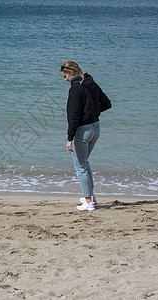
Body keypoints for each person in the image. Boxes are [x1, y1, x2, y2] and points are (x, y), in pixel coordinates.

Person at [60, 60, 111, 211]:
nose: (65, 80)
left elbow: (73, 115)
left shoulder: (75, 89)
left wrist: (69, 139)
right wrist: (92, 114)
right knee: (84, 162)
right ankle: (91, 196)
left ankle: (88, 202)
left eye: (65, 76)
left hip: (83, 131)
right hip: (95, 128)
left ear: (72, 73)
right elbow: (107, 103)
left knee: (80, 165)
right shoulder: (91, 83)